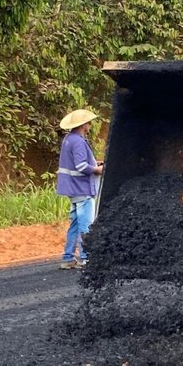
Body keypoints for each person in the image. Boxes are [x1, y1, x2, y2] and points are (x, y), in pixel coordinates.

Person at [56, 108, 102, 269]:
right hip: (81, 188)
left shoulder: (69, 139)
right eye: (88, 123)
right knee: (85, 224)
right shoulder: (78, 142)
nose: (90, 125)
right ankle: (85, 257)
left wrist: (96, 164)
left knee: (75, 223)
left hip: (72, 189)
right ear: (83, 125)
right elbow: (81, 166)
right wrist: (98, 170)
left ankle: (68, 258)